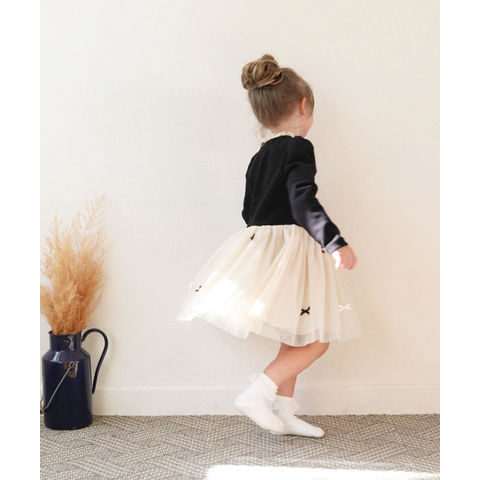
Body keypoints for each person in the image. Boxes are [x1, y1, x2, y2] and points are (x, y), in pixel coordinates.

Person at [177, 53, 363, 438]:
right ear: (304, 106)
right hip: (292, 251)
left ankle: (286, 411)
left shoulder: (259, 156)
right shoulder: (298, 147)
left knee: (295, 335)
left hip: (265, 247)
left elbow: (249, 211)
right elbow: (302, 200)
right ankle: (257, 393)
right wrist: (334, 242)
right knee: (317, 340)